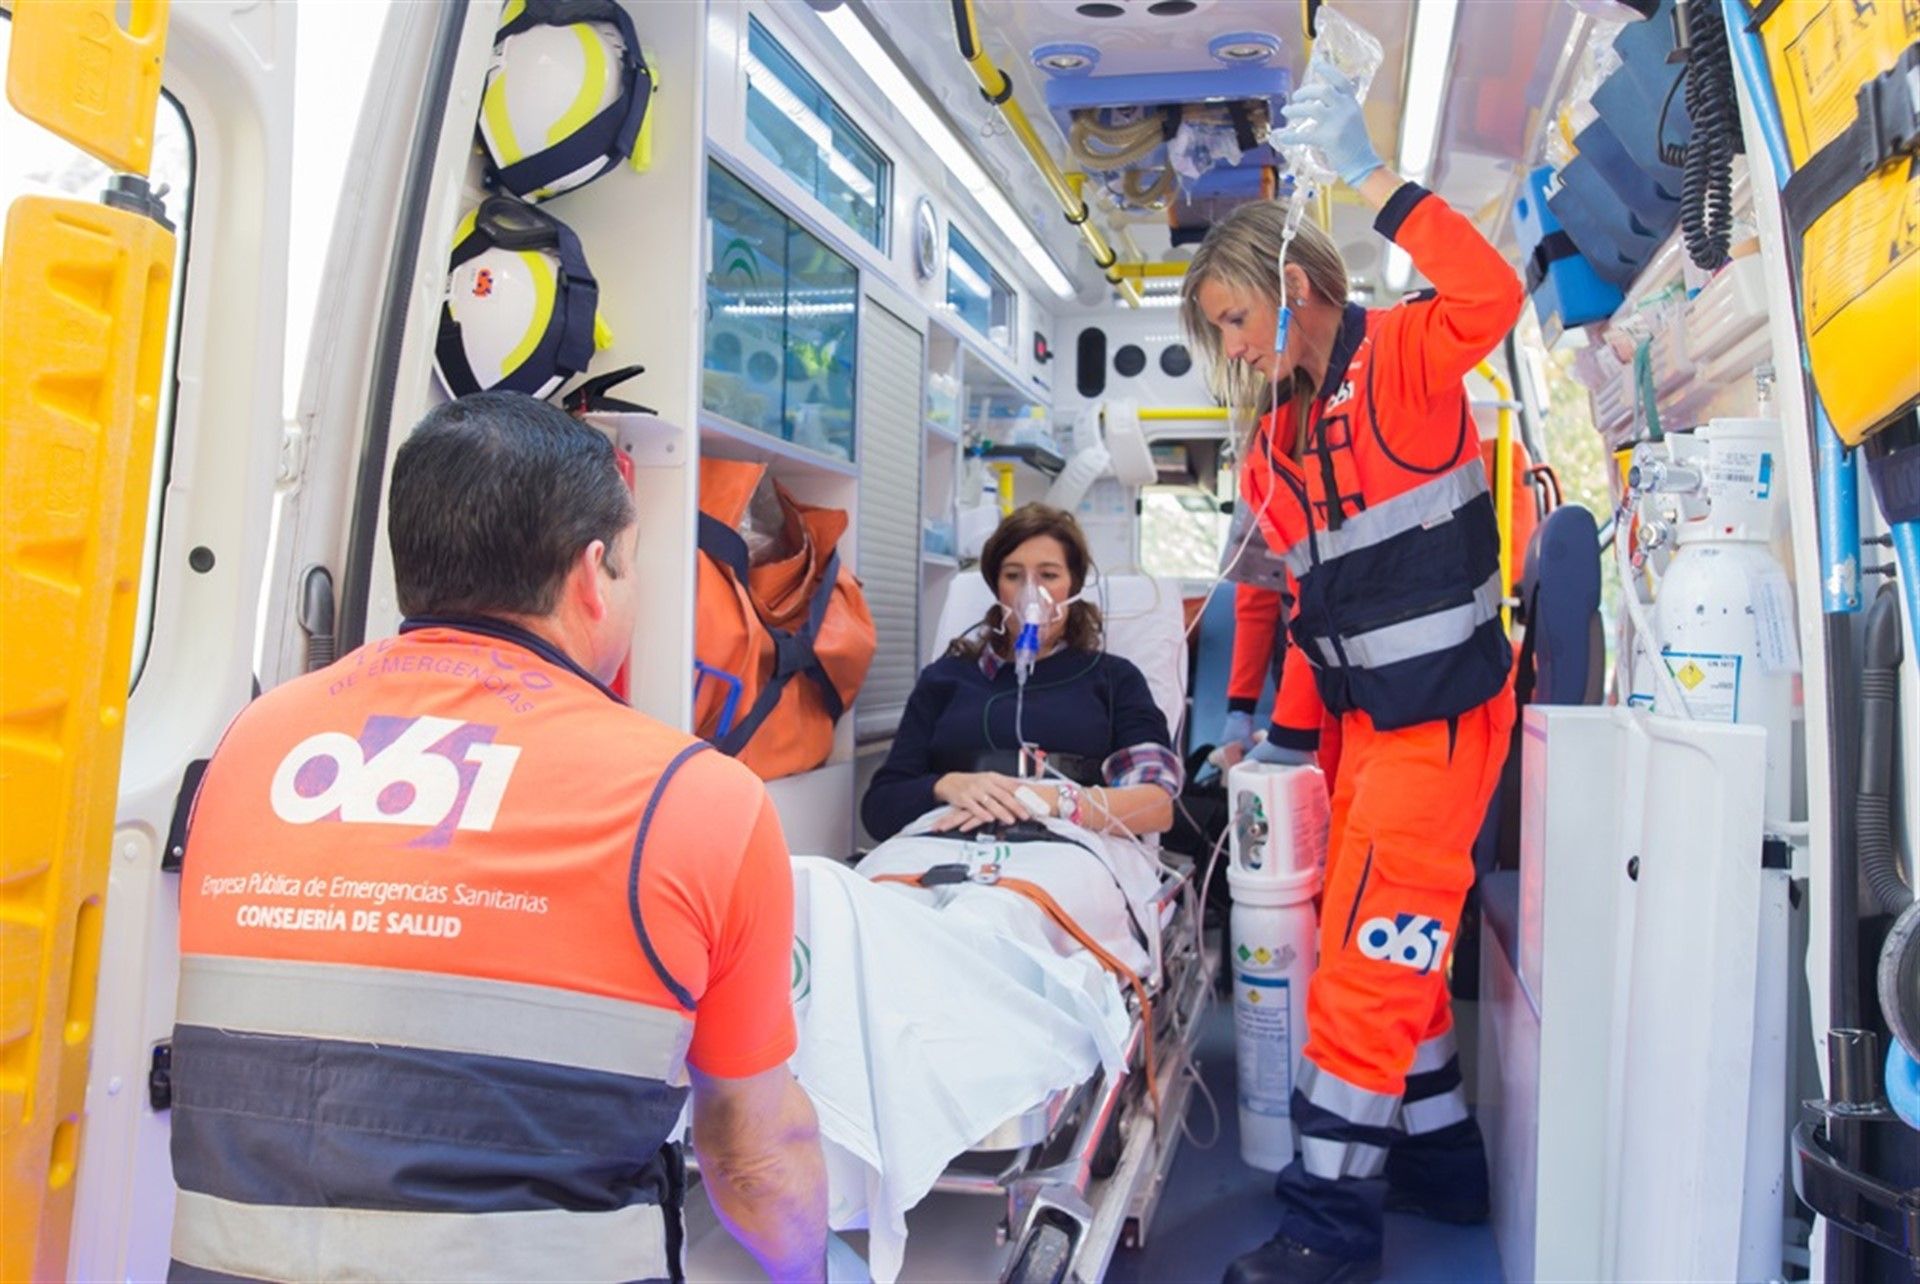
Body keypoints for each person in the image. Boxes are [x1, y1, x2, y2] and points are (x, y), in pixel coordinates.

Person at [166, 393, 828, 1284]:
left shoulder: (252, 742)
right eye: (630, 563)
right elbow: (754, 1160)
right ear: (592, 574)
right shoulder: (695, 797)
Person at [1182, 69, 1524, 1284]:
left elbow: (1493, 292)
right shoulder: (1277, 443)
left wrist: (1375, 174)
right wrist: (1265, 735)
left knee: (1370, 973)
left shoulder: (1409, 359)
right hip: (1361, 734)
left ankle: (1327, 1228)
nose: (1232, 348)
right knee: (1379, 952)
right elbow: (1287, 599)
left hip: (1443, 723)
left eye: (1234, 319)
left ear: (1295, 286)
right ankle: (1442, 1162)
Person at [861, 503, 1181, 843]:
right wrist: (946, 785)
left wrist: (1054, 801)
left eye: (1049, 575)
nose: (1031, 592)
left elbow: (1156, 807)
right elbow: (879, 809)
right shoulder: (944, 679)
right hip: (941, 847)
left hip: (1061, 850)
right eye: (1013, 575)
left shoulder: (1114, 680)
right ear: (996, 587)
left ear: (1073, 587)